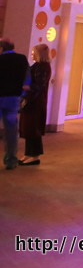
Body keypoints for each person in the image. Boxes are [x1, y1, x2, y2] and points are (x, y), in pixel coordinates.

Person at [0, 39, 30, 170]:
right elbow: (27, 78)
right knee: (11, 131)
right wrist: (22, 93)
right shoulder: (22, 59)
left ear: (2, 48)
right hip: (13, 98)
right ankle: (11, 160)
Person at [19, 44, 51, 165]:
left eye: (34, 52)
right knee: (28, 129)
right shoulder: (38, 66)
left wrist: (27, 87)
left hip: (35, 102)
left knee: (33, 129)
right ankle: (28, 154)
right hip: (32, 100)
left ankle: (35, 155)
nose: (32, 54)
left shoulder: (43, 67)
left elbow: (39, 85)